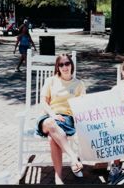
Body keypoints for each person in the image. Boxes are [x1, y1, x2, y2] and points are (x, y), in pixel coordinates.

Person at [35, 54, 86, 184]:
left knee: (53, 138)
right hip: (49, 116)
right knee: (51, 123)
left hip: (67, 119)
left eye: (67, 63)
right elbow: (43, 102)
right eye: (61, 64)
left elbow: (83, 105)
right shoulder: (50, 81)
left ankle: (58, 177)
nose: (64, 67)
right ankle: (74, 158)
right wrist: (52, 114)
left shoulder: (79, 84)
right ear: (57, 67)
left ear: (71, 65)